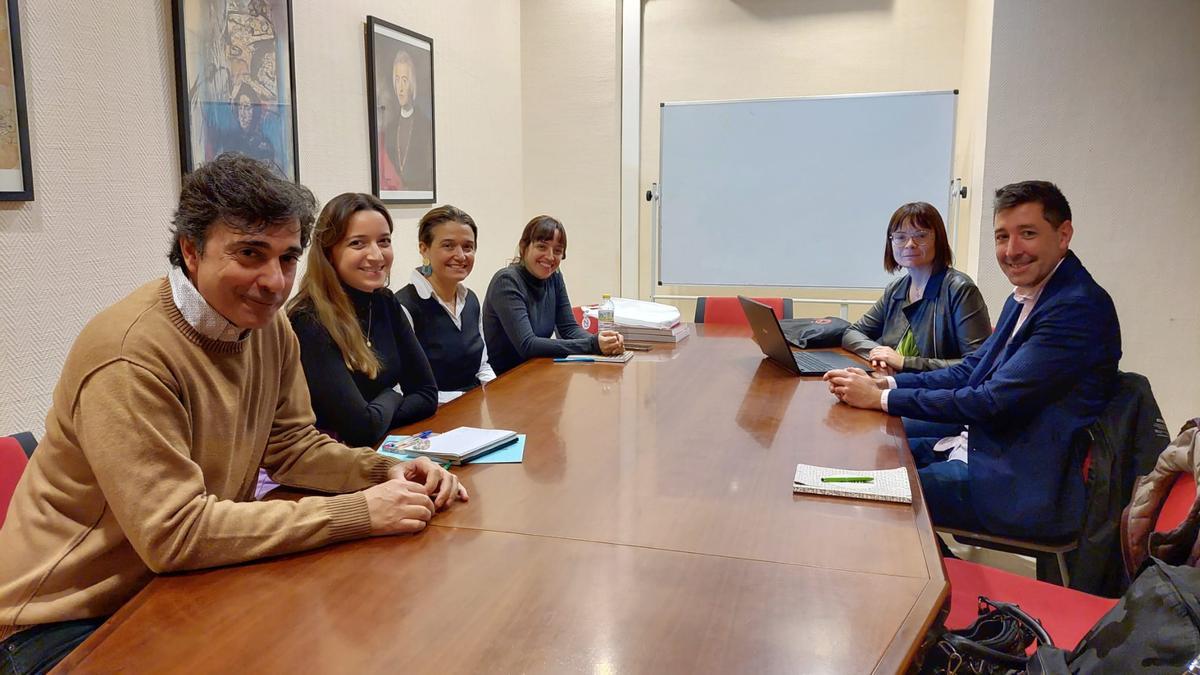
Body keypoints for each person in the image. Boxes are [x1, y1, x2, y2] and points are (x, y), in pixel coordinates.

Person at [0, 155, 466, 674]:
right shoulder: (130, 354)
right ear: (191, 252)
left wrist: (385, 470)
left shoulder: (268, 328)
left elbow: (293, 448)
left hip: (177, 585)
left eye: (288, 258)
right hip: (58, 623)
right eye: (250, 253)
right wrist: (360, 513)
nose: (273, 281)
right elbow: (175, 534)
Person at [824, 181, 1120, 540]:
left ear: (1063, 234)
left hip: (1011, 478)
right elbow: (971, 370)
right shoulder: (1027, 295)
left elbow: (989, 400)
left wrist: (882, 399)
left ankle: (929, 585)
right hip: (981, 445)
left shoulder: (1075, 307)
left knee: (858, 490)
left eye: (1027, 233)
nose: (1011, 250)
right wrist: (887, 383)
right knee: (860, 458)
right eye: (1001, 237)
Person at [288, 192, 438, 447]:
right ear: (329, 252)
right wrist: (392, 394)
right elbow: (360, 429)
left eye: (384, 241)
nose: (376, 255)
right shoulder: (309, 320)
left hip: (379, 448)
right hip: (329, 462)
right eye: (358, 243)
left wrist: (376, 411)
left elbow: (426, 394)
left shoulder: (385, 302)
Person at [842, 202, 991, 374]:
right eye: (900, 237)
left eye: (921, 236)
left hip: (937, 393)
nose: (910, 244)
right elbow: (852, 333)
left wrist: (904, 362)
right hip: (892, 383)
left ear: (938, 239)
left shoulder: (960, 289)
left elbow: (978, 364)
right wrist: (880, 355)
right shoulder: (895, 290)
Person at [483, 215, 623, 375]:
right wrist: (593, 344)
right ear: (524, 247)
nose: (550, 257)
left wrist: (603, 340)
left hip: (538, 372)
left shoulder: (554, 276)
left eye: (557, 251)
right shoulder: (507, 281)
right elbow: (527, 345)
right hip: (507, 381)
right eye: (542, 247)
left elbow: (568, 329)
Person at [395, 205, 496, 397]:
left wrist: (496, 395)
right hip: (432, 416)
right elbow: (401, 387)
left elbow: (482, 366)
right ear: (424, 249)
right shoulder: (404, 306)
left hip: (473, 410)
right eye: (448, 245)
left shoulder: (471, 300)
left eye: (468, 247)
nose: (460, 256)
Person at [378, 48, 433, 191]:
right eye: (397, 80)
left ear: (412, 84)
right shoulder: (390, 128)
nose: (400, 88)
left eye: (404, 80)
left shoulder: (425, 126)